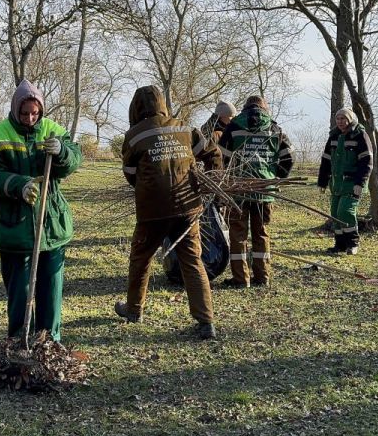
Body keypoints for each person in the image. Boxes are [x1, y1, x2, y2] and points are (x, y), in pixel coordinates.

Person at [0, 80, 82, 342]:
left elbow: (74, 160)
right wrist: (18, 186)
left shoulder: (52, 129)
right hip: (14, 225)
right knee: (20, 290)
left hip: (51, 222)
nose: (30, 118)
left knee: (51, 288)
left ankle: (49, 342)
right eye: (25, 113)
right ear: (15, 109)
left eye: (35, 113)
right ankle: (19, 340)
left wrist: (62, 153)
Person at [114, 85, 222, 340]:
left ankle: (134, 310)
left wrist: (148, 189)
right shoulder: (185, 129)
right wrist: (211, 182)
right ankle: (206, 322)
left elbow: (131, 175)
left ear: (136, 107)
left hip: (152, 210)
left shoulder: (134, 136)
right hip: (187, 207)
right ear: (163, 103)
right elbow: (213, 153)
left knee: (141, 259)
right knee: (192, 261)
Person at [217, 95, 294, 288]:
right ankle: (263, 277)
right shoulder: (275, 128)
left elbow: (220, 156)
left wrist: (227, 177)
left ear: (245, 108)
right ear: (264, 108)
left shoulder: (233, 127)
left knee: (238, 234)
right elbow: (289, 156)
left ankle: (241, 279)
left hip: (238, 190)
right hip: (265, 190)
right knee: (261, 233)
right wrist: (276, 176)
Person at [316, 107, 373, 255]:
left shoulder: (360, 135)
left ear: (350, 119)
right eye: (338, 119)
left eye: (343, 119)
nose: (340, 122)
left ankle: (353, 243)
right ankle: (339, 245)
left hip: (352, 183)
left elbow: (367, 161)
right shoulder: (334, 136)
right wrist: (322, 182)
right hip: (336, 184)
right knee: (335, 214)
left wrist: (360, 183)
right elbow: (326, 160)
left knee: (345, 212)